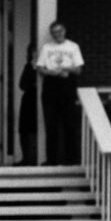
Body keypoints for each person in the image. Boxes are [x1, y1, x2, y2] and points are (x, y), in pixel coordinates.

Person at [36, 20, 84, 164]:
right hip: (51, 85)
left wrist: (66, 69)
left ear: (64, 31)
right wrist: (52, 73)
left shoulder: (73, 47)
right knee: (51, 124)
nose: (57, 34)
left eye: (59, 31)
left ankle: (72, 159)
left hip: (67, 84)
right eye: (54, 32)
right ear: (51, 34)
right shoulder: (46, 48)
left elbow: (79, 69)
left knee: (70, 123)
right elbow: (39, 68)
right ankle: (52, 160)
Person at [17, 42, 39, 166]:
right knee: (24, 129)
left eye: (37, 51)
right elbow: (22, 85)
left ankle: (35, 158)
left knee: (36, 130)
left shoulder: (45, 65)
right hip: (28, 100)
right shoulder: (28, 66)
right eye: (33, 51)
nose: (35, 54)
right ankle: (25, 158)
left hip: (39, 101)